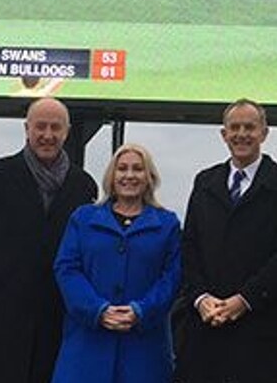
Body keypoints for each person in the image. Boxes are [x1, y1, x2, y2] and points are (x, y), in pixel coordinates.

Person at [0, 97, 99, 383]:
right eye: (41, 127)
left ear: (67, 132)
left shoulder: (82, 185)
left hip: (58, 314)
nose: (48, 135)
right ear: (27, 129)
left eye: (56, 128)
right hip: (1, 314)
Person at [176, 98, 277, 383]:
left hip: (261, 329)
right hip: (206, 329)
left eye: (249, 127)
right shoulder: (205, 181)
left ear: (264, 133)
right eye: (234, 128)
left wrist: (244, 300)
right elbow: (190, 248)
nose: (241, 134)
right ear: (223, 134)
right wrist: (201, 299)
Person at [51, 143, 182, 383]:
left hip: (144, 353)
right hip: (86, 348)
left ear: (149, 177)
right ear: (112, 175)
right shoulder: (83, 219)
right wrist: (96, 309)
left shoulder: (168, 224)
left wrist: (141, 310)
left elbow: (172, 277)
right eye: (122, 169)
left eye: (137, 169)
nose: (129, 175)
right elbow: (67, 269)